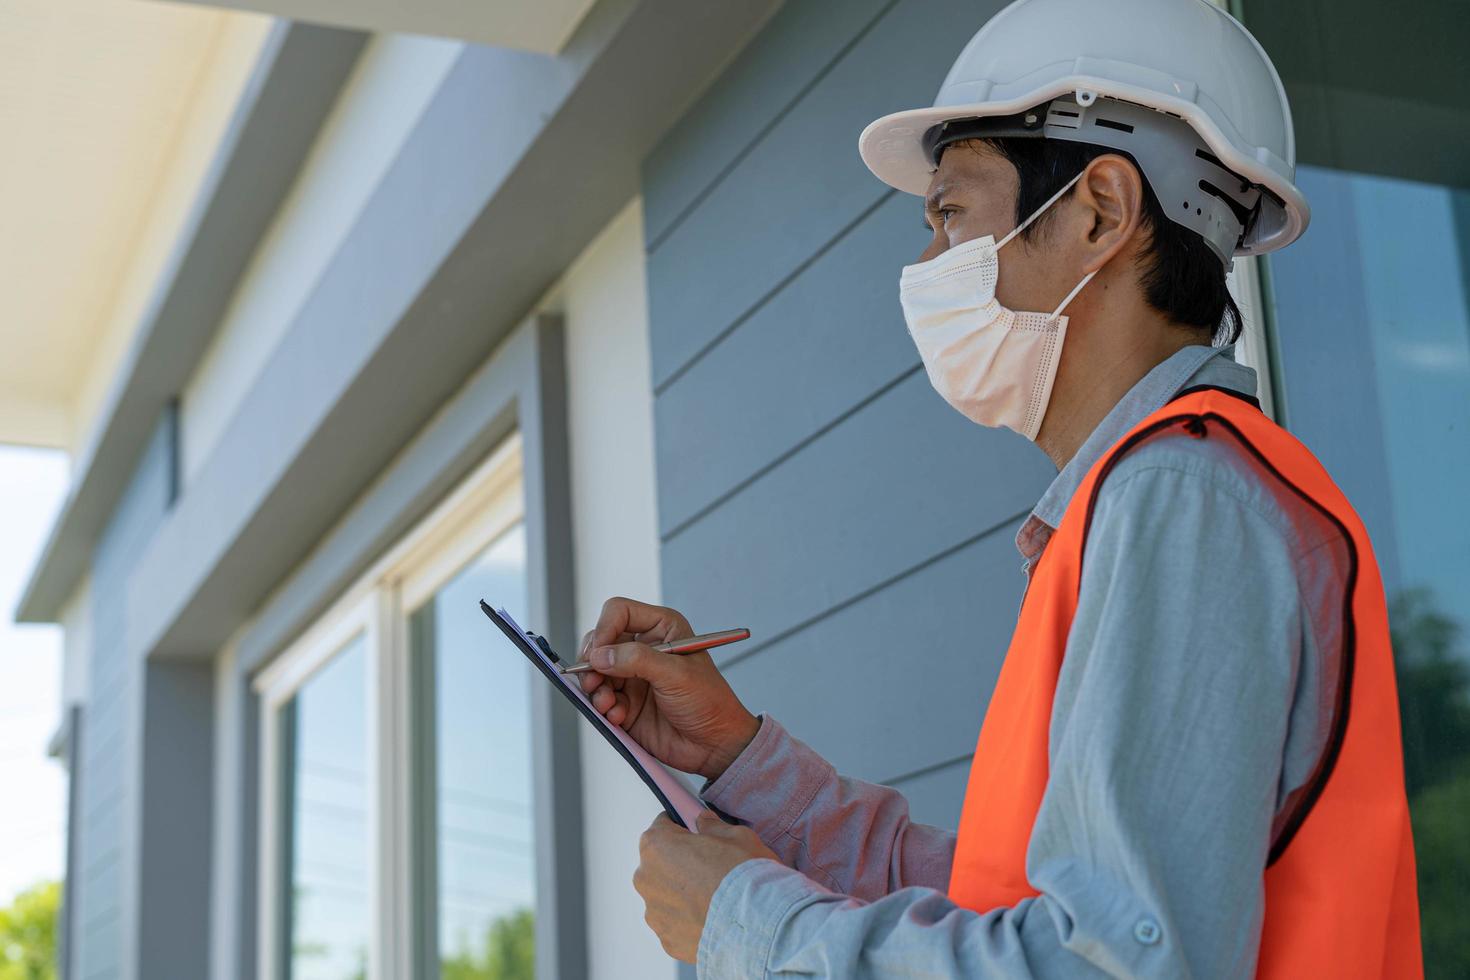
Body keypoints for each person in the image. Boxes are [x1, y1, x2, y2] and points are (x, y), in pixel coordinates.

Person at [572, 0, 1422, 975]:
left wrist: (745, 923)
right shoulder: (1146, 499)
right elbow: (996, 902)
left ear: (1100, 211)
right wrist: (742, 760)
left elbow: (1103, 963)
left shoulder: (1181, 499)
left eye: (950, 214)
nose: (928, 264)